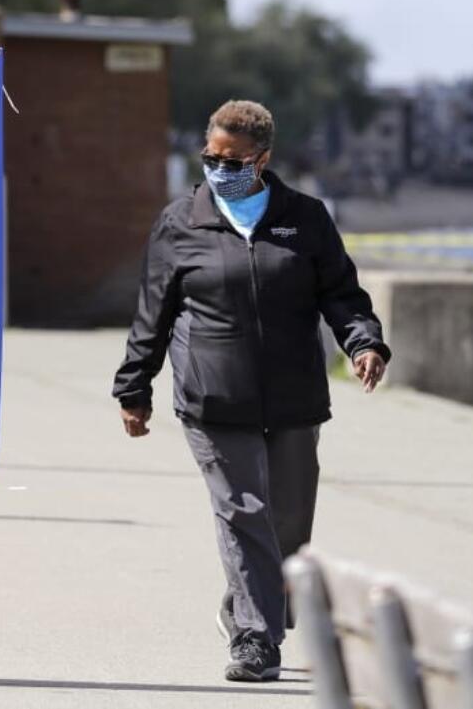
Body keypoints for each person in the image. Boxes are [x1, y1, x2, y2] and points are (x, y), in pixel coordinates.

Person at [112, 100, 391, 683]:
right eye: (210, 156)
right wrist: (134, 386)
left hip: (293, 396)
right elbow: (153, 313)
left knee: (289, 523)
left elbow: (341, 294)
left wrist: (364, 343)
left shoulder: (305, 217)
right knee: (244, 511)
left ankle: (244, 603)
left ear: (262, 159)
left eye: (232, 159)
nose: (217, 166)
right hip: (212, 396)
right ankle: (255, 639)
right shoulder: (180, 221)